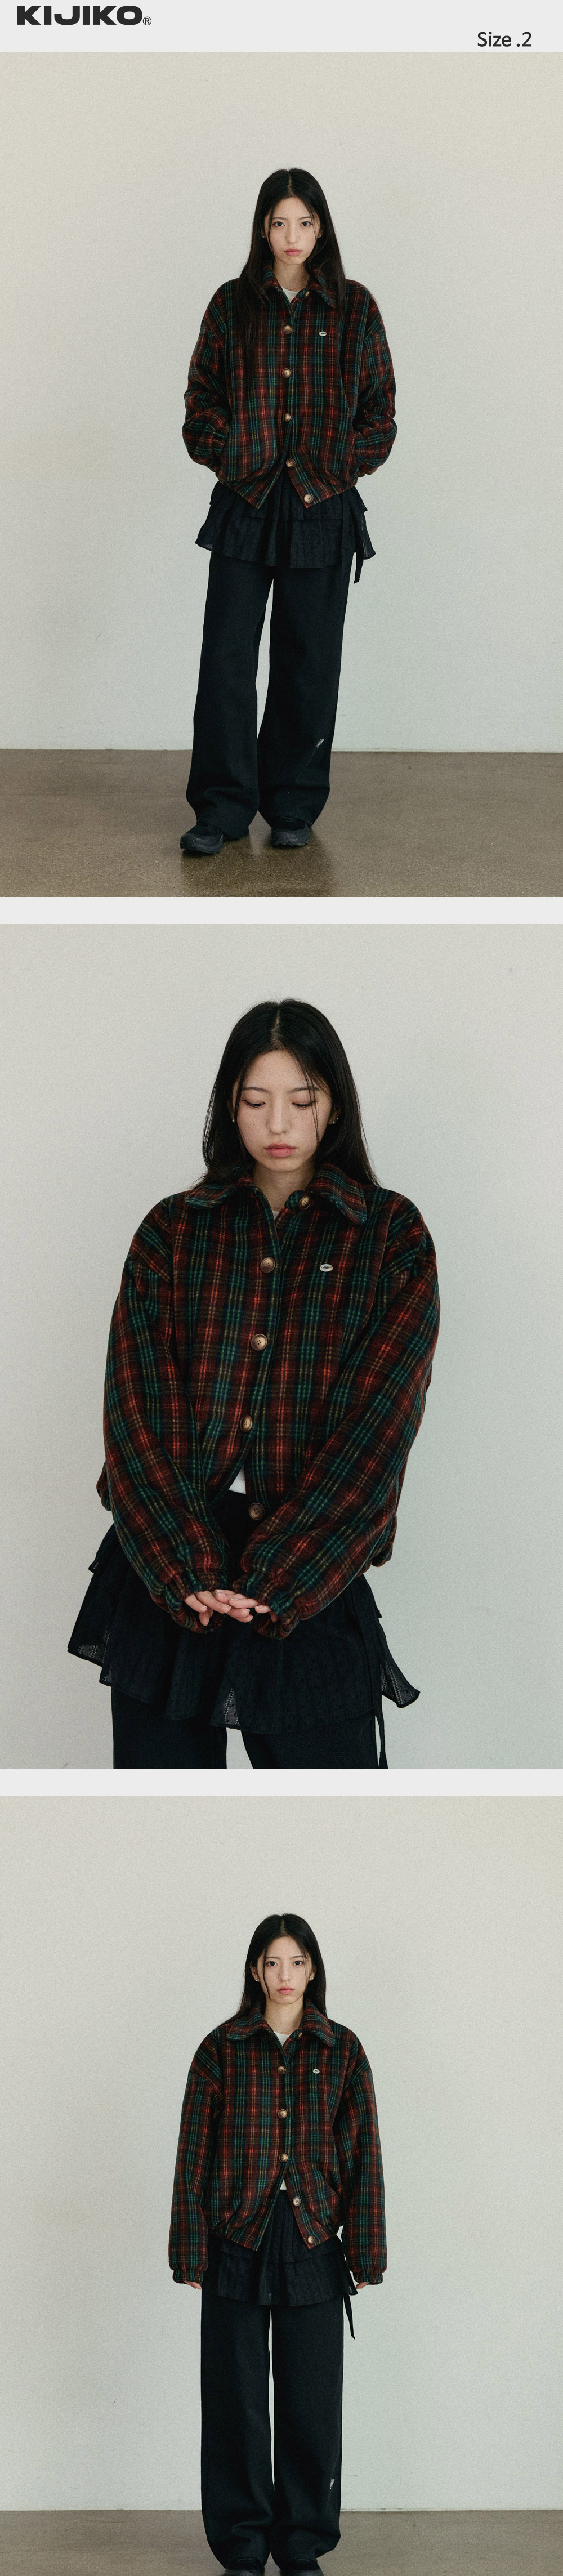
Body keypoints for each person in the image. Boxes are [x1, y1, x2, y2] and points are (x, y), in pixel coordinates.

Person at [68, 995, 440, 1770]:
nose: (279, 1124)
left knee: (331, 1805)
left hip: (312, 1566)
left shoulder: (389, 1236)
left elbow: (377, 1428)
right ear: (228, 1107)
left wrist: (284, 1573)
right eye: (255, 1100)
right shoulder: (174, 1230)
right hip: (169, 1563)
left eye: (302, 1101)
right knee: (163, 1809)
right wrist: (185, 1564)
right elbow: (136, 1410)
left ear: (334, 1105)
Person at [180, 163, 396, 858]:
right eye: (279, 222)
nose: (292, 235)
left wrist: (340, 464)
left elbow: (380, 412)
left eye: (304, 222)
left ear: (321, 228)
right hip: (245, 503)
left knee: (309, 664)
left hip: (323, 508)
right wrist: (232, 454)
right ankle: (221, 808)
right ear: (262, 229)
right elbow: (200, 402)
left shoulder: (354, 308)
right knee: (226, 661)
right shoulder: (231, 304)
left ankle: (293, 805)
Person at [169, 1910, 386, 2576]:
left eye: (296, 1962)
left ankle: (301, 2546)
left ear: (313, 1969)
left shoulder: (342, 2050)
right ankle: (241, 2545)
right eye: (272, 1962)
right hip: (236, 2240)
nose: (284, 1975)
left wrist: (366, 2252)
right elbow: (193, 2154)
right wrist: (190, 2249)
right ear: (255, 1970)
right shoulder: (221, 2050)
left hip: (314, 2242)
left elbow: (363, 2155)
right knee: (234, 2401)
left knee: (310, 2403)